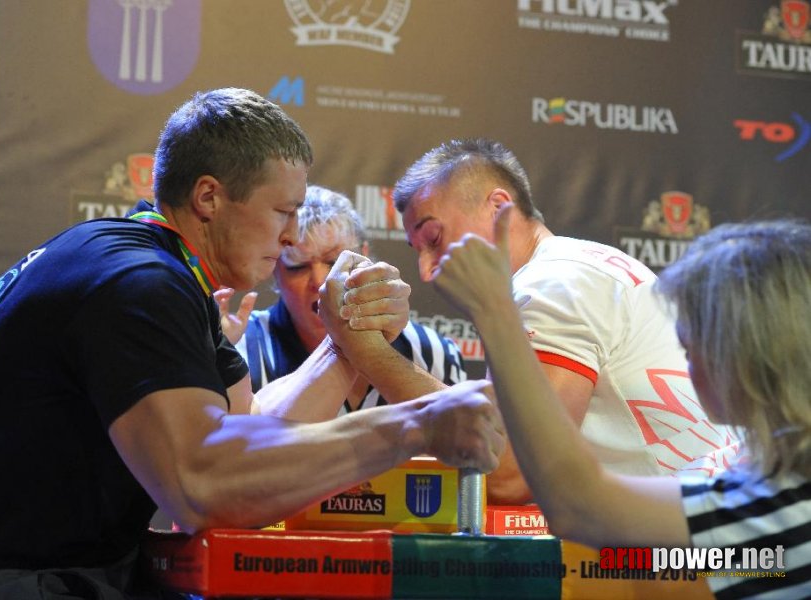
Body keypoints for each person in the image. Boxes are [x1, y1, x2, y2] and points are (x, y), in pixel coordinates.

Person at [0, 89, 504, 599]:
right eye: (283, 212)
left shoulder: (162, 271)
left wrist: (345, 338)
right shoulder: (137, 283)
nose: (287, 238)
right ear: (209, 197)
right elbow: (204, 484)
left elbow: (251, 426)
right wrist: (418, 423)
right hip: (30, 582)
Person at [433, 214, 811, 598]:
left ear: (743, 355)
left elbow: (577, 506)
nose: (688, 367)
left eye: (690, 347)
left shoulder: (782, 504)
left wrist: (496, 312)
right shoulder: (775, 494)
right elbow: (702, 566)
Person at [393, 138, 741, 505]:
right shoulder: (576, 263)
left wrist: (365, 350)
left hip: (698, 548)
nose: (426, 270)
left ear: (498, 208)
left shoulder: (550, 287)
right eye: (417, 251)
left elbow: (508, 476)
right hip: (722, 525)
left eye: (434, 238)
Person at [214, 185, 466, 419]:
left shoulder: (434, 352)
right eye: (298, 267)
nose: (321, 282)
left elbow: (468, 454)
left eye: (334, 262)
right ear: (275, 270)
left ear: (365, 257)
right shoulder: (240, 348)